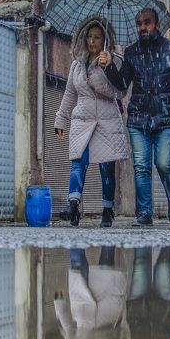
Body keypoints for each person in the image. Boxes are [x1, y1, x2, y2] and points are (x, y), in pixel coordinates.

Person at [104, 8, 170, 225]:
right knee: (141, 167)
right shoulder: (132, 52)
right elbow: (122, 84)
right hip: (138, 118)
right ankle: (144, 212)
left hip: (166, 117)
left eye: (147, 23)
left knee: (163, 163)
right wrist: (109, 67)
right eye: (139, 24)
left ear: (157, 25)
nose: (142, 27)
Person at [54, 18, 130, 227]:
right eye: (89, 37)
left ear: (105, 40)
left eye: (97, 37)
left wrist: (107, 69)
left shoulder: (114, 61)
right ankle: (73, 206)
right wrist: (60, 119)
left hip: (106, 120)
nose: (92, 41)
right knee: (78, 163)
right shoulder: (77, 65)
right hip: (82, 120)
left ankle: (107, 208)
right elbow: (70, 93)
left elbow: (119, 92)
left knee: (106, 168)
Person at [54, 247, 127, 339]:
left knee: (77, 262)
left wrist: (59, 304)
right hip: (107, 306)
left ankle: (76, 236)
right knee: (107, 258)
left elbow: (69, 330)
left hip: (82, 305)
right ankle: (106, 233)